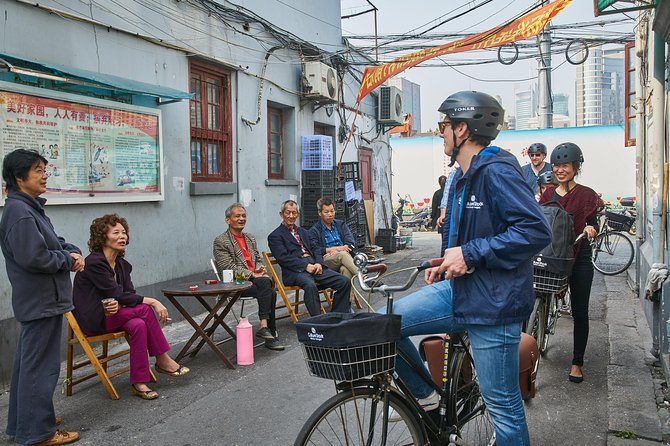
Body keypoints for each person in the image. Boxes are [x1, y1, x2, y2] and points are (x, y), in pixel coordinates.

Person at [381, 91, 551, 446]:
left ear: (463, 128)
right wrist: (446, 261)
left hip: (494, 304)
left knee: (502, 405)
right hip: (458, 291)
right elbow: (464, 239)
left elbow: (535, 231)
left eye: (444, 125)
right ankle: (427, 400)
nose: (440, 132)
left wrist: (470, 254)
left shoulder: (496, 172)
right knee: (384, 323)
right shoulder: (459, 177)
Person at [1, 149, 84, 446]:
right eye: (38, 170)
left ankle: (24, 423)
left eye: (44, 168)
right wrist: (67, 259)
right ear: (19, 177)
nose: (45, 174)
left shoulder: (29, 208)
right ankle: (39, 432)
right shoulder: (19, 213)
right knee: (41, 369)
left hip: (41, 300)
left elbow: (55, 242)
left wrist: (71, 251)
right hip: (41, 301)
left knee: (28, 366)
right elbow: (35, 257)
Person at [72, 214, 190, 401]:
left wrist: (120, 302)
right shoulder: (94, 262)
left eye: (124, 233)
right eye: (116, 232)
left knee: (138, 325)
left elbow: (127, 294)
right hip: (94, 319)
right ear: (102, 237)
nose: (122, 236)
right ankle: (162, 359)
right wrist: (153, 301)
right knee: (144, 310)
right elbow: (119, 294)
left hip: (117, 315)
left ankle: (139, 383)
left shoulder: (122, 265)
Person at [540, 143, 603, 384]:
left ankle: (577, 362)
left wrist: (590, 228)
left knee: (580, 311)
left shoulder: (587, 195)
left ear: (575, 167)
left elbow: (595, 222)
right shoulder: (547, 195)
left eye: (565, 165)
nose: (560, 169)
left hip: (579, 256)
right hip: (552, 255)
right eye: (556, 165)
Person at [213, 203, 284, 351]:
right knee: (268, 287)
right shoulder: (221, 241)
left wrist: (259, 267)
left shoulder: (250, 238)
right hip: (236, 284)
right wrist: (252, 274)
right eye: (237, 216)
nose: (241, 219)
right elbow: (227, 267)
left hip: (256, 282)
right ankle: (268, 330)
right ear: (228, 220)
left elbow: (257, 258)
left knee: (267, 287)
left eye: (244, 216)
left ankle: (266, 330)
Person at [268, 200, 351, 316]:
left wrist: (318, 263)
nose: (291, 216)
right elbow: (284, 258)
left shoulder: (304, 232)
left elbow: (316, 249)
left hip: (314, 266)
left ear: (298, 215)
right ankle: (318, 321)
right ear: (281, 214)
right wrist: (305, 266)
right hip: (295, 271)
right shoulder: (275, 236)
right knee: (310, 285)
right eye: (288, 213)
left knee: (344, 281)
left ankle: (337, 315)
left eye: (294, 213)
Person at [308, 197, 359, 307]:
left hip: (343, 260)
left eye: (332, 211)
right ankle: (363, 277)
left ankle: (346, 305)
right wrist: (333, 250)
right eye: (326, 212)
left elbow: (351, 242)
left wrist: (339, 249)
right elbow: (315, 250)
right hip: (327, 260)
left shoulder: (341, 225)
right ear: (320, 213)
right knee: (343, 254)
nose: (330, 214)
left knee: (345, 269)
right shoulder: (314, 230)